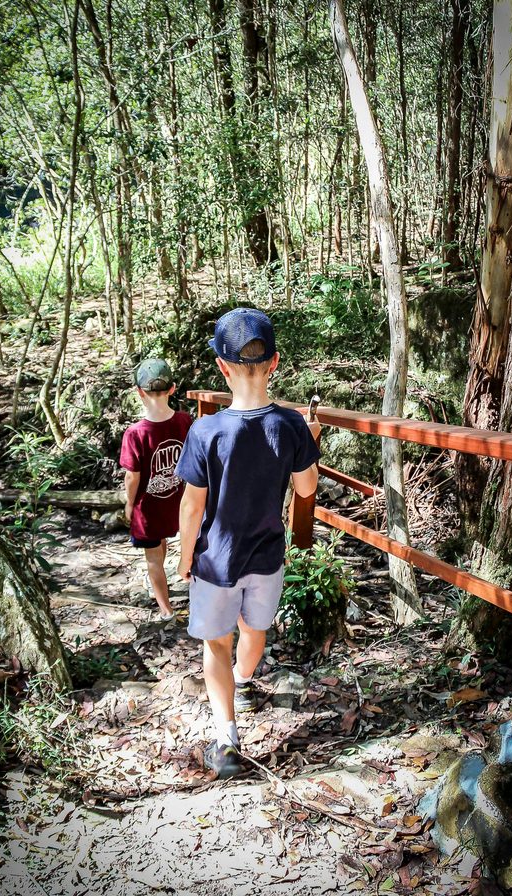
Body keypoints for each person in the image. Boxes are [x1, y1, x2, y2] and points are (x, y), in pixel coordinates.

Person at [176, 308, 321, 778]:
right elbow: (304, 489)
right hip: (267, 557)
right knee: (254, 632)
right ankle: (242, 679)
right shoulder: (293, 426)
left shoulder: (205, 431)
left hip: (216, 562)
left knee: (216, 644)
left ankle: (226, 737)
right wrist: (310, 442)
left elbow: (192, 507)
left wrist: (183, 558)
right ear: (275, 363)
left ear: (222, 367)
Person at [120, 358, 192, 621]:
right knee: (181, 543)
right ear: (172, 389)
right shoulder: (185, 421)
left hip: (148, 508)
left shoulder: (135, 433)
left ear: (139, 392)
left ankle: (166, 610)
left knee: (153, 559)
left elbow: (132, 476)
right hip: (180, 502)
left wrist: (129, 503)